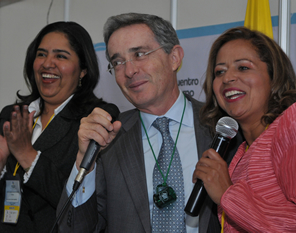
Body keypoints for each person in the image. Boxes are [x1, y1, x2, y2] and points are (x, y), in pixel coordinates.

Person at [57, 13, 241, 233]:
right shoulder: (108, 140)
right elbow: (75, 229)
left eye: (140, 54)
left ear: (174, 57)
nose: (129, 70)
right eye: (117, 62)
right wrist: (83, 163)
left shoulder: (222, 128)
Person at [0, 21, 107, 233]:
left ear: (83, 70)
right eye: (41, 54)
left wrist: (27, 155)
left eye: (61, 56)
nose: (47, 63)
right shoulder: (14, 115)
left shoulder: (94, 120)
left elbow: (83, 206)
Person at [195, 26, 296, 232]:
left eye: (243, 68)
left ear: (273, 75)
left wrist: (228, 193)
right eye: (219, 71)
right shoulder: (239, 155)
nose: (228, 78)